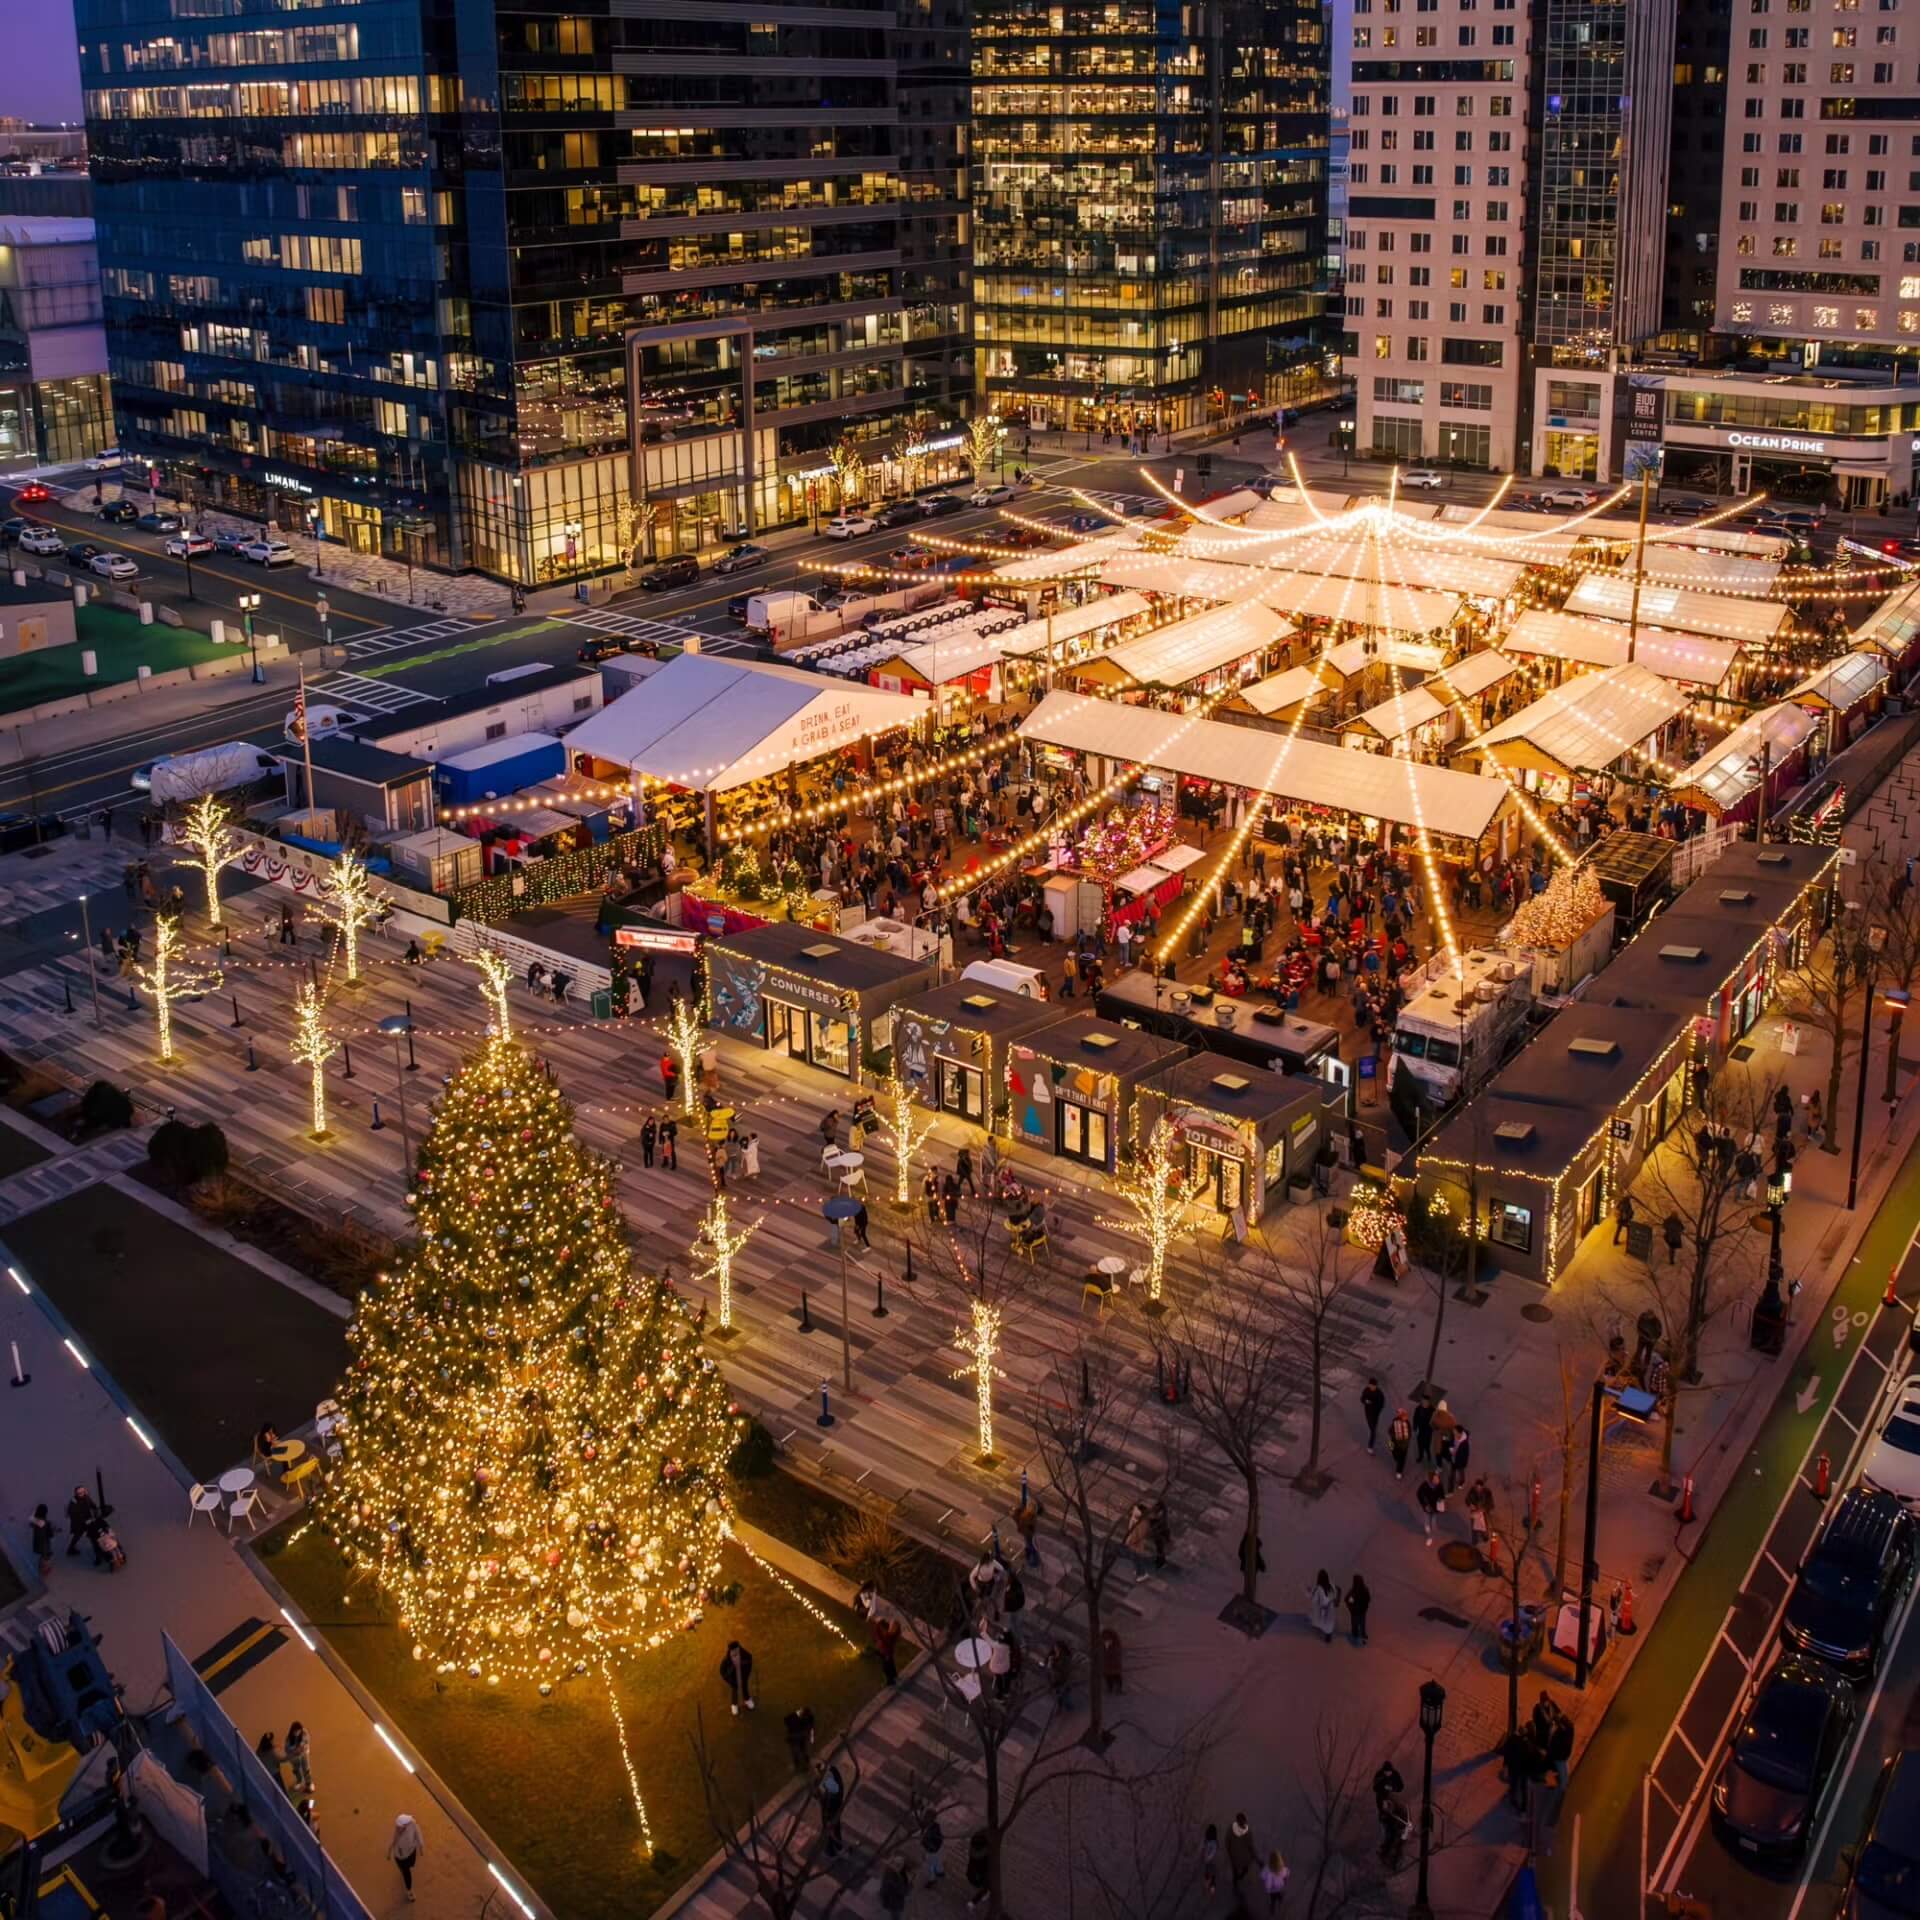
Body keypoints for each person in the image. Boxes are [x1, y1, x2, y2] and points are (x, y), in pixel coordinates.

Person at [387, 1813, 423, 1903]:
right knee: (407, 1873)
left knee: (411, 1864)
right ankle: (409, 1891)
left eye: (400, 1826)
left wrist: (421, 1846)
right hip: (401, 1857)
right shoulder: (397, 1832)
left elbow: (418, 1834)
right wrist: (388, 1853)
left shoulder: (412, 1823)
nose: (398, 1828)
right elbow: (392, 1842)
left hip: (411, 1852)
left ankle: (403, 1869)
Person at [914, 1792, 944, 1885]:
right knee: (935, 1861)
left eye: (927, 1817)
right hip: (933, 1848)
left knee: (930, 1864)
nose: (925, 1818)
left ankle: (932, 1879)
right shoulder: (930, 1825)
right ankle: (939, 1872)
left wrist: (929, 1846)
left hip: (932, 1848)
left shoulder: (934, 1827)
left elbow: (937, 1839)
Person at [66, 1485, 102, 1563]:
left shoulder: (86, 1497)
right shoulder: (74, 1502)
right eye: (80, 1493)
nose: (82, 1494)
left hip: (88, 1521)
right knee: (87, 1537)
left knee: (90, 1537)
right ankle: (98, 1557)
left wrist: (96, 1511)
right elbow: (72, 1513)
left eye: (83, 1493)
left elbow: (93, 1505)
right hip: (80, 1523)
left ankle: (71, 1548)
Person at [719, 1639, 755, 1715]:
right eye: (733, 1654)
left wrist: (746, 1674)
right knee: (734, 1691)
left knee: (745, 1688)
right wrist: (730, 1680)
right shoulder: (726, 1661)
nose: (736, 1656)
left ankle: (747, 1699)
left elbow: (749, 1660)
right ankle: (734, 1705)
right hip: (734, 1680)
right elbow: (722, 1671)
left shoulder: (745, 1655)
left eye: (737, 1653)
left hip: (743, 1677)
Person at [817, 1761, 845, 1856]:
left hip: (830, 1816)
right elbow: (837, 1776)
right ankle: (837, 1847)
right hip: (833, 1815)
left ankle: (833, 1850)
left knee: (830, 1833)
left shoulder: (829, 1798)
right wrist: (829, 1768)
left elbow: (820, 1798)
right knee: (836, 1831)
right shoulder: (838, 1789)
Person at [1226, 1814, 1256, 1893]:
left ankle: (1235, 1881)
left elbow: (1227, 1842)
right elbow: (1251, 1845)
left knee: (1235, 1870)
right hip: (1245, 1857)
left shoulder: (1231, 1829)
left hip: (1234, 1857)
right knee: (1245, 1868)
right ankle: (1240, 1877)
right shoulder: (1247, 1832)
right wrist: (1254, 1856)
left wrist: (1229, 1852)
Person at [1308, 1569, 1338, 1644]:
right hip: (1330, 1608)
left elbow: (1317, 1600)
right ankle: (1328, 1635)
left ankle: (1326, 1635)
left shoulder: (1318, 1588)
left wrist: (1309, 1592)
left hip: (1322, 1610)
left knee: (1323, 1622)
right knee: (1328, 1623)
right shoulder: (1331, 1584)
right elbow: (1335, 1594)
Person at [1416, 1469, 1445, 1546]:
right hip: (1427, 1508)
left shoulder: (1439, 1485)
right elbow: (1419, 1494)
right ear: (1431, 1480)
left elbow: (1442, 1495)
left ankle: (1432, 1535)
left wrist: (1441, 1498)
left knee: (1433, 1523)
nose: (1438, 1480)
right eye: (1436, 1479)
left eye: (1438, 1478)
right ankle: (1429, 1536)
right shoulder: (1425, 1485)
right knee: (1426, 1524)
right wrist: (1425, 1505)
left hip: (1435, 1508)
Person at [872, 1612, 903, 1685]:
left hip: (886, 1653)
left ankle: (890, 1681)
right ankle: (894, 1675)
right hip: (886, 1652)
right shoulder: (891, 1634)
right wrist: (880, 1623)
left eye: (892, 1625)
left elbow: (882, 1639)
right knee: (891, 1664)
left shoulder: (890, 1636)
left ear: (894, 1629)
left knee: (886, 1668)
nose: (890, 1625)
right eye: (891, 1624)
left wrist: (877, 1628)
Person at [1014, 1493, 1042, 1568]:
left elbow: (1023, 1522)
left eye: (1029, 1506)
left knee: (1030, 1546)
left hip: (1028, 1534)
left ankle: (1034, 1560)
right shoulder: (1028, 1515)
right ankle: (1031, 1558)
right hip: (1027, 1533)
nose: (1027, 1507)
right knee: (1029, 1545)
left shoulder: (1031, 1517)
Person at [784, 1705, 816, 1772]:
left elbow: (811, 1726)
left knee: (800, 1750)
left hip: (798, 1736)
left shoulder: (806, 1717)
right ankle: (800, 1765)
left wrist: (811, 1736)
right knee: (798, 1751)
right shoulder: (794, 1717)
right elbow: (787, 1722)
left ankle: (803, 1765)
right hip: (795, 1736)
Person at [964, 1830, 991, 1909]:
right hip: (980, 1875)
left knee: (983, 1886)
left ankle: (974, 1901)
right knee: (985, 1886)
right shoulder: (984, 1855)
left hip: (973, 1874)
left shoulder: (973, 1851)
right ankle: (973, 1902)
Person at [1345, 1571, 1372, 1646]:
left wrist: (1351, 1606)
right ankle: (1359, 1633)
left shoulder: (1354, 1592)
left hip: (1358, 1611)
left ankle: (1357, 1633)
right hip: (1359, 1611)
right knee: (1360, 1623)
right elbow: (1368, 1599)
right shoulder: (1361, 1590)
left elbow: (1348, 1600)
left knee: (1357, 1623)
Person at [1259, 1848, 1290, 1913]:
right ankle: (1280, 1899)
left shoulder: (1267, 1869)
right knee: (1279, 1894)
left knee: (1273, 1899)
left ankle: (1272, 1909)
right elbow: (1287, 1873)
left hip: (1272, 1889)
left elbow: (1262, 1876)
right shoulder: (1282, 1869)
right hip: (1280, 1886)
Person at [1360, 1376, 1386, 1453]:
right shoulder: (1366, 1390)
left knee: (1373, 1430)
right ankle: (1373, 1433)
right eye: (1370, 1385)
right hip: (1367, 1413)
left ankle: (1370, 1446)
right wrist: (1365, 1401)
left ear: (1376, 1386)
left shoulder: (1379, 1394)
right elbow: (1362, 1399)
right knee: (1372, 1427)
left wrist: (1376, 1410)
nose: (1371, 1387)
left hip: (1375, 1414)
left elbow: (1381, 1405)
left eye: (1372, 1386)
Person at [285, 1723, 311, 1791]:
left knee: (306, 1769)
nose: (297, 1733)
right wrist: (295, 1751)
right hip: (294, 1757)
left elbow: (307, 1741)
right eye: (296, 1731)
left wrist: (305, 1747)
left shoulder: (304, 1733)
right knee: (296, 1770)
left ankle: (308, 1783)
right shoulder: (289, 1739)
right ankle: (299, 1781)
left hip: (303, 1754)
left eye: (299, 1731)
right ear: (292, 1731)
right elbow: (287, 1750)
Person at [1387, 1406, 1411, 1480]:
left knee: (1402, 1459)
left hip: (1404, 1445)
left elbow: (1409, 1433)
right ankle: (1398, 1460)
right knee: (1395, 1453)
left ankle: (1399, 1471)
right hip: (1396, 1443)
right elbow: (1390, 1431)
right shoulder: (1395, 1421)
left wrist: (1406, 1438)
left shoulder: (1407, 1423)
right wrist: (1395, 1436)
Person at [30, 1503, 52, 1578]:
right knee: (45, 1555)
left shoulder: (34, 1521)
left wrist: (35, 1512)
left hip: (37, 1541)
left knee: (42, 1554)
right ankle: (44, 1570)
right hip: (44, 1542)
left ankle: (41, 1566)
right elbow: (50, 1533)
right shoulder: (46, 1523)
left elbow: (31, 1521)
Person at [1200, 1823, 1220, 1898]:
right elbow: (1213, 1852)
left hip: (1208, 1861)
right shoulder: (1214, 1842)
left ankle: (1207, 1888)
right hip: (1211, 1861)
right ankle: (1211, 1890)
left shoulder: (1207, 1840)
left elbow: (1203, 1848)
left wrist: (1206, 1858)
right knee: (1211, 1876)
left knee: (1208, 1875)